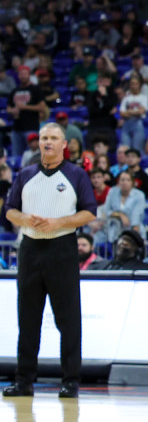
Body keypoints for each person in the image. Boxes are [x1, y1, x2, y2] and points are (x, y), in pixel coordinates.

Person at [2, 122, 97, 399]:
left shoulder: (76, 175)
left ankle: (70, 380)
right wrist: (24, 218)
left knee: (67, 319)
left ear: (64, 144)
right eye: (44, 137)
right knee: (27, 318)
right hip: (30, 249)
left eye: (54, 138)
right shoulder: (26, 173)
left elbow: (89, 211)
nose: (48, 142)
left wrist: (59, 222)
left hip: (62, 250)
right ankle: (24, 381)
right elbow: (9, 210)